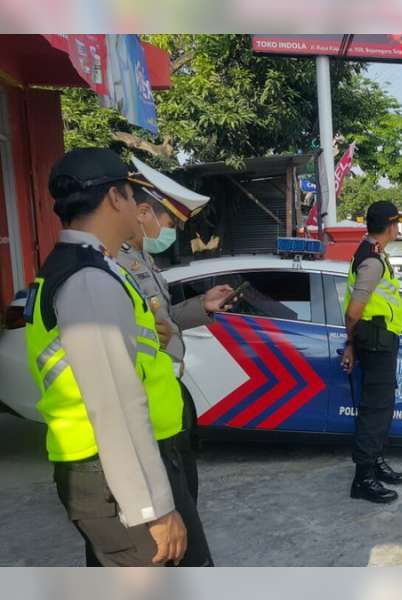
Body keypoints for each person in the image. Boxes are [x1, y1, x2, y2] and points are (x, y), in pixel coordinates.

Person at [24, 148, 212, 567]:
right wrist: (154, 509)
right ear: (114, 198)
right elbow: (114, 406)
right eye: (131, 195)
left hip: (111, 470)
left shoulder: (91, 268)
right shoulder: (88, 279)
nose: (139, 209)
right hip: (113, 474)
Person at [119, 156, 233, 504]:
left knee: (184, 489)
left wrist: (203, 305)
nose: (172, 231)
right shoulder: (118, 263)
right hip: (146, 402)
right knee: (172, 501)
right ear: (144, 213)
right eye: (170, 221)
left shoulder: (144, 260)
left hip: (167, 393)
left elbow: (163, 319)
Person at [341, 201, 402, 504]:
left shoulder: (374, 253)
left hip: (380, 340)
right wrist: (350, 343)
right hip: (376, 342)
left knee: (382, 407)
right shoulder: (372, 261)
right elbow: (354, 311)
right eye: (397, 224)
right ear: (390, 226)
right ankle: (363, 478)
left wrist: (352, 344)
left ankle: (376, 462)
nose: (398, 228)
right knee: (375, 411)